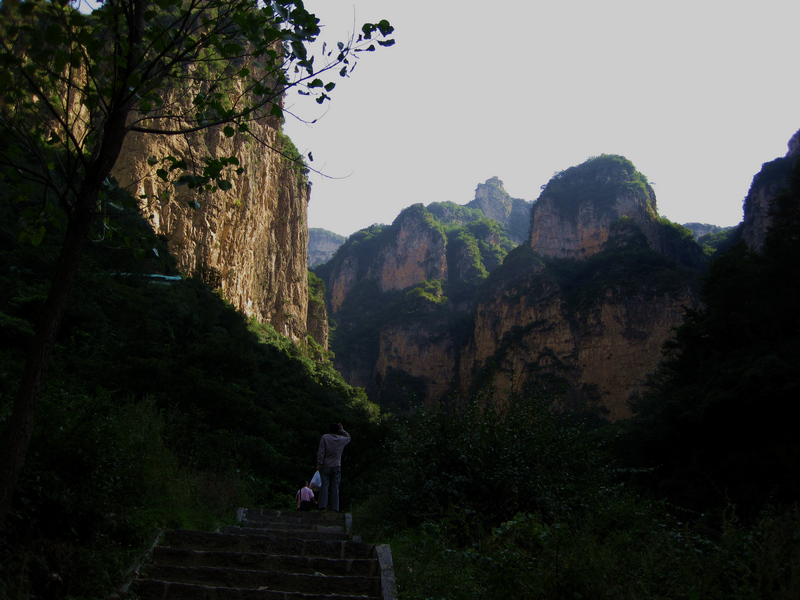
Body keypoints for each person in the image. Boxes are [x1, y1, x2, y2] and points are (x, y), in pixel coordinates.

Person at [316, 422, 351, 512]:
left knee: (324, 486)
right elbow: (349, 437)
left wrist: (319, 464)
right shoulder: (341, 439)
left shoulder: (325, 437)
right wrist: (342, 430)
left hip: (325, 465)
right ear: (337, 430)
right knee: (335, 487)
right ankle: (335, 508)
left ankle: (322, 507)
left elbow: (321, 452)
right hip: (336, 465)